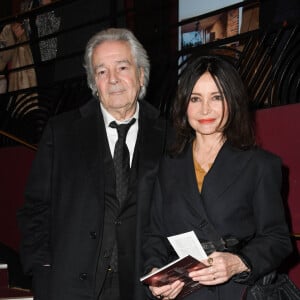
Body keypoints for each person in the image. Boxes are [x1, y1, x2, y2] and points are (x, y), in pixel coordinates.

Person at [17, 27, 167, 300]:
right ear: (93, 83)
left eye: (122, 67)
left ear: (141, 74)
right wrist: (42, 269)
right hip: (69, 285)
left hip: (141, 288)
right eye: (101, 71)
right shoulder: (60, 132)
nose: (113, 80)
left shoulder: (169, 135)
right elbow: (35, 210)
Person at [142, 55, 293, 300]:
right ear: (184, 104)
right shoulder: (167, 167)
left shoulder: (260, 165)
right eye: (195, 98)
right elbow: (155, 236)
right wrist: (155, 273)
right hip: (184, 292)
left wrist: (239, 262)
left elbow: (277, 239)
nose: (205, 109)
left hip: (237, 291)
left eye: (216, 97)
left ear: (232, 102)